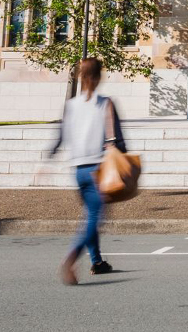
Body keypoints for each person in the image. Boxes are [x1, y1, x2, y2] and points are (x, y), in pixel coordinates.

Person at [49, 57, 125, 285]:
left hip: (78, 169)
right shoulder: (105, 103)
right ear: (97, 77)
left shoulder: (71, 104)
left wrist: (48, 157)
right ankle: (72, 257)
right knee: (94, 218)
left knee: (90, 215)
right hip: (97, 169)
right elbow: (117, 139)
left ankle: (97, 261)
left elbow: (61, 137)